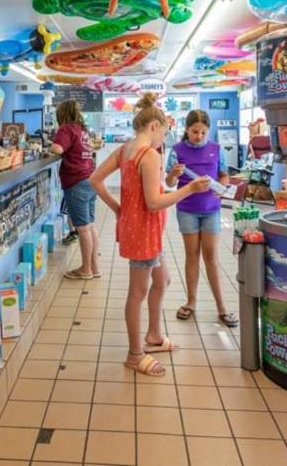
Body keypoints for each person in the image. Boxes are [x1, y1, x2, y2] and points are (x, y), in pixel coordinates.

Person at [90, 93, 211, 377]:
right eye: (164, 134)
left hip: (144, 230)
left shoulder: (125, 150)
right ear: (155, 126)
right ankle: (135, 354)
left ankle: (154, 335)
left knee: (163, 279)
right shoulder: (149, 155)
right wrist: (190, 189)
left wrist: (118, 209)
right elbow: (154, 202)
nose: (163, 140)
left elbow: (95, 179)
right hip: (144, 232)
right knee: (137, 293)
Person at [165, 110, 237, 327]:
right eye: (195, 132)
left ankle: (222, 307)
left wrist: (222, 187)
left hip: (211, 209)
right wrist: (174, 174)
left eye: (203, 132)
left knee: (212, 258)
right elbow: (169, 183)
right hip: (187, 209)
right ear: (187, 130)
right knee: (192, 256)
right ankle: (191, 302)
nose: (199, 136)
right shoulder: (177, 150)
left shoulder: (216, 149)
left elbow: (224, 175)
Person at [50, 101, 99, 279]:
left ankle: (86, 269)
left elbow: (57, 148)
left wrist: (50, 146)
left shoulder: (66, 129)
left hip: (76, 182)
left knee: (83, 229)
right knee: (90, 226)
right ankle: (94, 267)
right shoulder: (82, 130)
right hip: (90, 180)